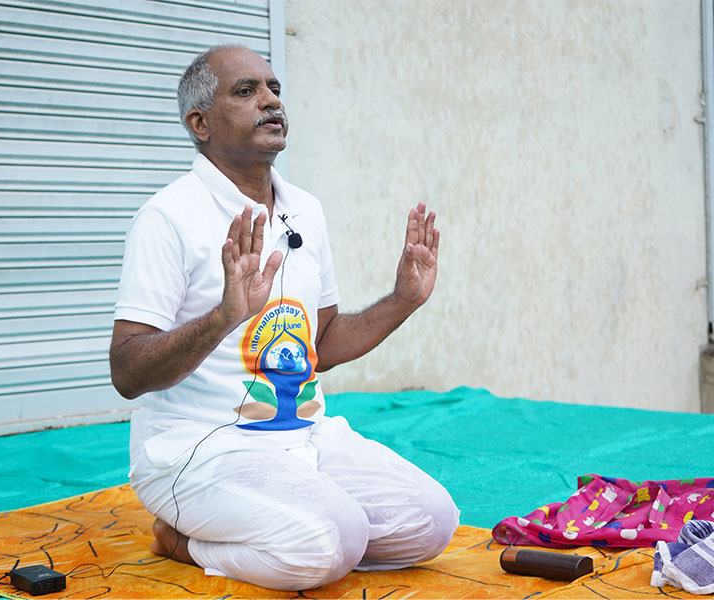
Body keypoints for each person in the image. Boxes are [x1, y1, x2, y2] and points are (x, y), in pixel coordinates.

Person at [109, 44, 459, 591]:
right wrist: (224, 317)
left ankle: (303, 527)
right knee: (333, 539)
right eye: (246, 91)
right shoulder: (167, 217)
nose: (271, 101)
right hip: (200, 448)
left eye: (274, 88)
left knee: (432, 523)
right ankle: (183, 541)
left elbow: (323, 342)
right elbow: (128, 372)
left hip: (306, 437)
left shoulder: (305, 210)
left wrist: (402, 300)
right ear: (200, 123)